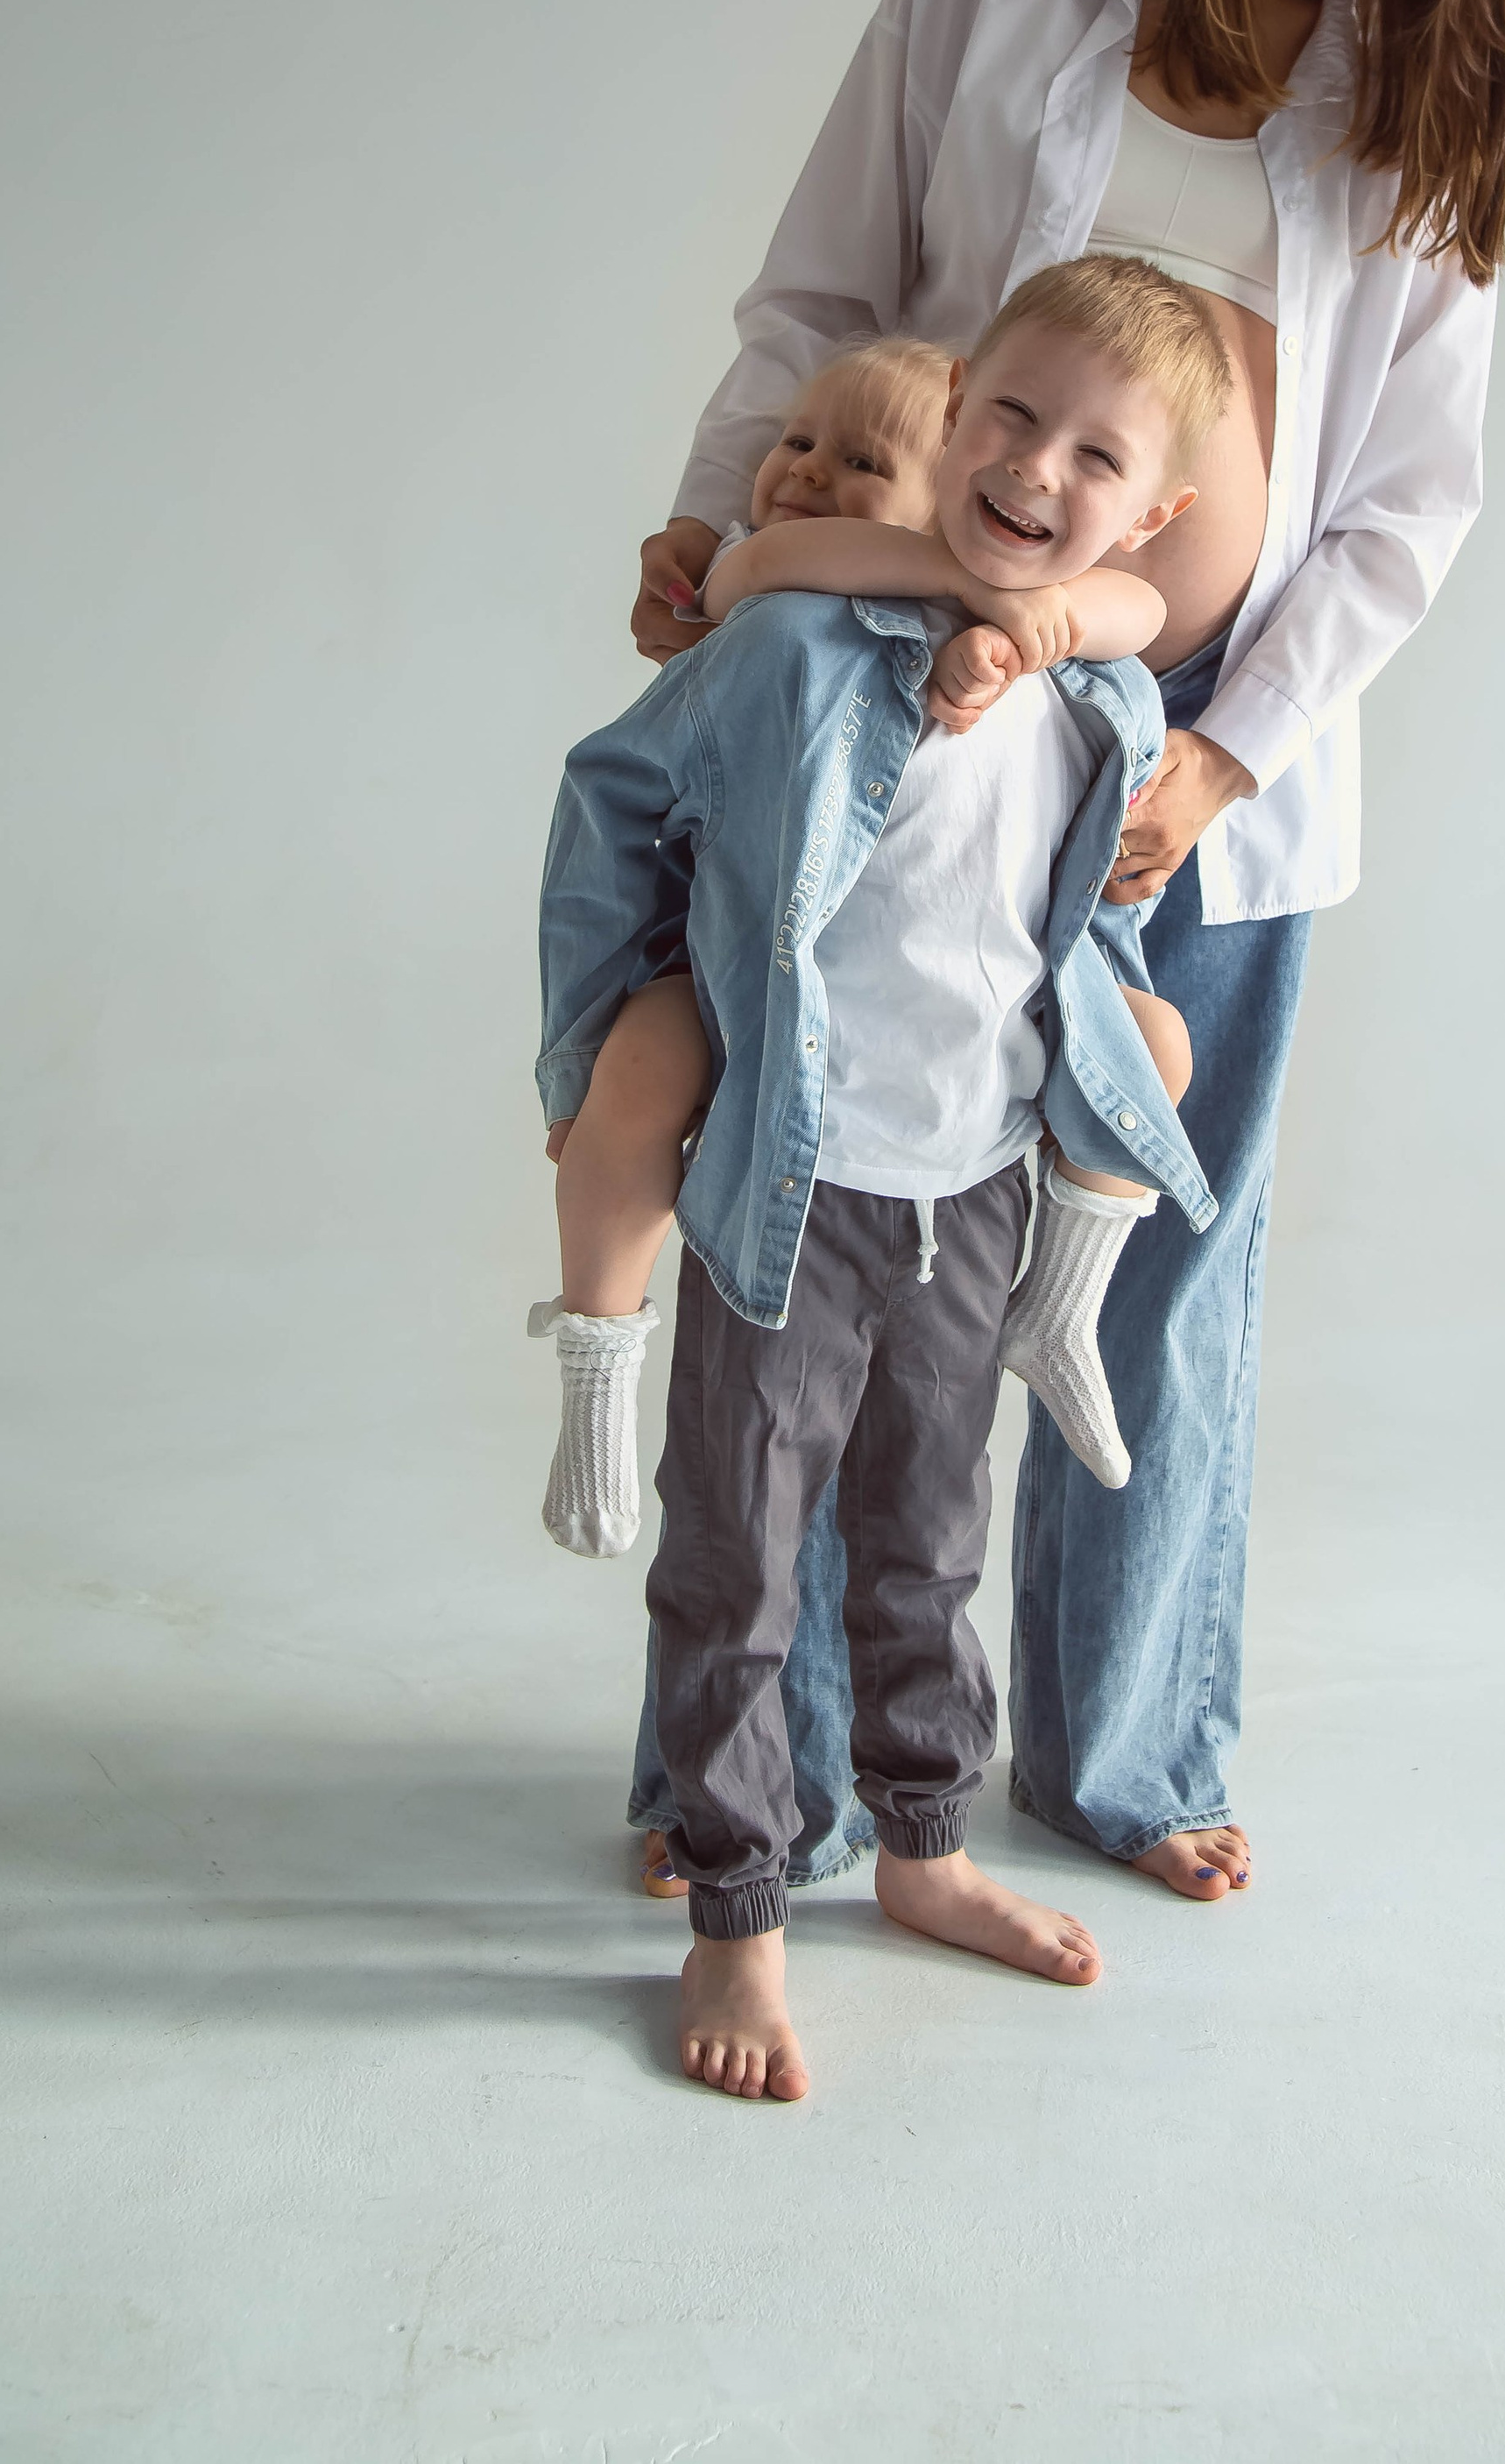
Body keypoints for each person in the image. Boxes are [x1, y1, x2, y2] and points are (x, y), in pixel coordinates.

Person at [625, 0, 1505, 1908]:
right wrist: (714, 504)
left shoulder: (1426, 94)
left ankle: (1126, 1758)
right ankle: (774, 1777)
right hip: (917, 736)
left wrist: (1225, 756)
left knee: (1153, 1273)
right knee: (825, 1247)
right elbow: (827, 292)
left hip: (1192, 791)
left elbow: (1399, 506)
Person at [536, 265, 1226, 2097]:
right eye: (1005, 417)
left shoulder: (1097, 694)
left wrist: (1059, 632)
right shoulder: (781, 650)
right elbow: (609, 793)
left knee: (929, 1544)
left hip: (974, 1184)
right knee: (739, 1559)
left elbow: (1065, 885)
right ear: (950, 427)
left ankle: (924, 1851)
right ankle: (736, 1909)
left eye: (1092, 455)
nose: (1031, 468)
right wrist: (585, 1038)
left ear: (1140, 513)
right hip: (796, 1190)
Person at [534, 307, 1204, 1562]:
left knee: (1157, 1044)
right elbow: (751, 579)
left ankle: (1061, 1307)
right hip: (730, 955)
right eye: (795, 439)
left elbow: (1140, 614)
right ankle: (596, 1368)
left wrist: (1028, 620)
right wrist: (972, 586)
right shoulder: (778, 598)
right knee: (638, 1072)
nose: (803, 476)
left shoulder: (1053, 660)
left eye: (855, 462)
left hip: (947, 1085)